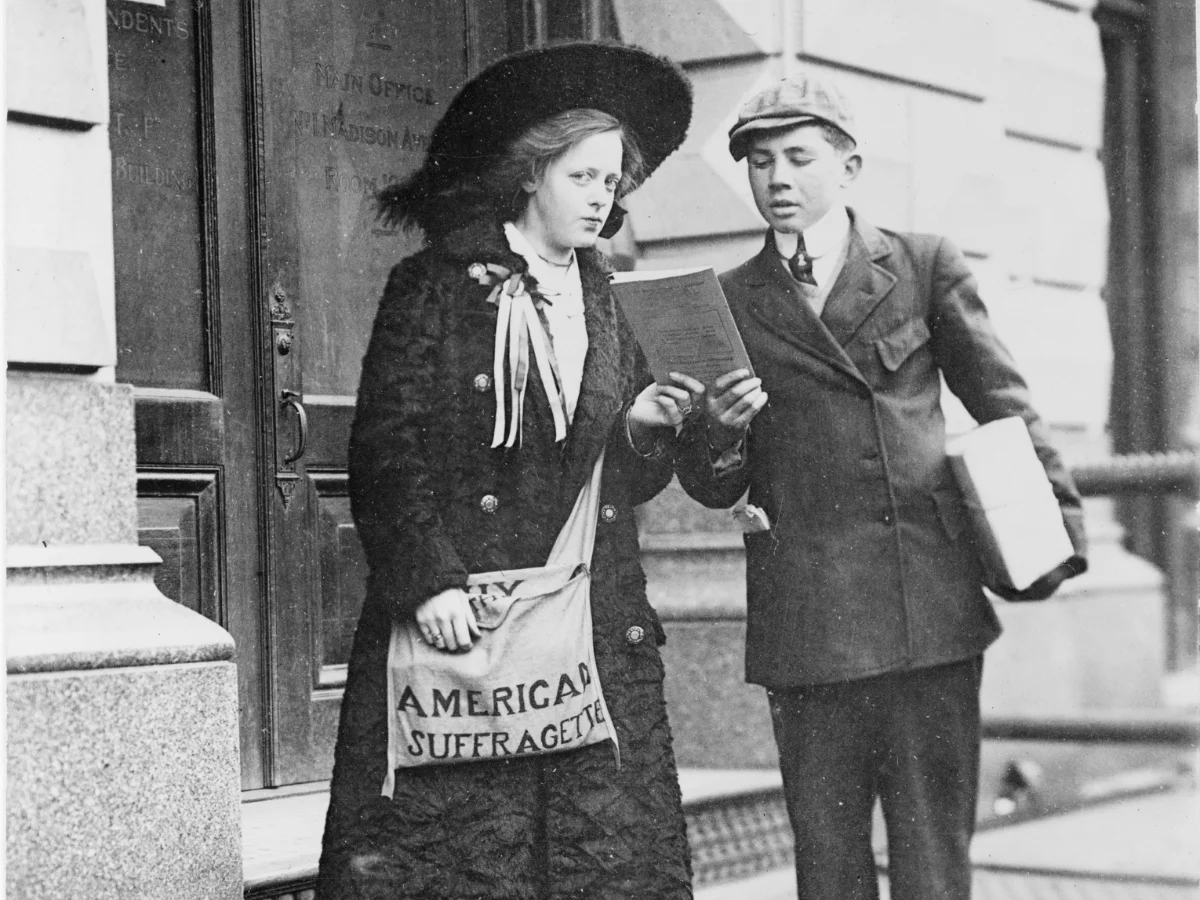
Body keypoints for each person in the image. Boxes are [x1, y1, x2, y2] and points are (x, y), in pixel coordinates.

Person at [673, 71, 1089, 900]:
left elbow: (1004, 403)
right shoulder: (726, 300)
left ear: (849, 166)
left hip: (923, 606)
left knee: (933, 858)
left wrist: (1059, 533)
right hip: (807, 619)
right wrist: (716, 427)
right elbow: (713, 485)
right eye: (759, 162)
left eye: (799, 157)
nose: (778, 179)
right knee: (827, 864)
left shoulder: (923, 265)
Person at [317, 43, 697, 900]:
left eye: (612, 181)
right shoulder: (436, 286)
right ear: (531, 173)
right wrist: (428, 582)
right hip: (467, 624)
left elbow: (615, 482)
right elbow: (386, 446)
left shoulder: (613, 301)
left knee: (599, 863)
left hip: (585, 633)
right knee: (466, 864)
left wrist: (641, 430)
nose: (601, 198)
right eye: (582, 176)